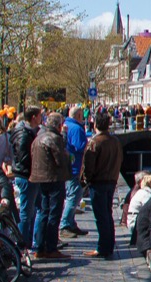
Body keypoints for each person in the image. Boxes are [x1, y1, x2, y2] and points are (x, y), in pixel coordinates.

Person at [80, 112, 123, 260]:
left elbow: (88, 165)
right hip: (111, 181)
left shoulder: (94, 142)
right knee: (108, 213)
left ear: (95, 124)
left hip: (98, 182)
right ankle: (109, 244)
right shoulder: (115, 141)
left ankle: (103, 247)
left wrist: (87, 179)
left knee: (101, 216)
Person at [30, 113, 69, 260]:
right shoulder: (55, 138)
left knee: (43, 212)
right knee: (54, 213)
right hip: (53, 179)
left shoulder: (38, 137)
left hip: (39, 179)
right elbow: (60, 160)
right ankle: (51, 247)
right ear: (59, 125)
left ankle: (39, 246)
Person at [8, 106, 41, 255]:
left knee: (31, 210)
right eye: (40, 116)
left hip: (28, 175)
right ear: (34, 117)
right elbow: (23, 157)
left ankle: (27, 242)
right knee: (26, 212)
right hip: (26, 176)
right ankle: (21, 245)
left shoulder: (28, 132)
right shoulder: (24, 134)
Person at [59, 105, 88, 237]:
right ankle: (65, 224)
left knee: (74, 192)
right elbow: (79, 146)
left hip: (68, 165)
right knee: (74, 193)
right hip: (73, 166)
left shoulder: (66, 125)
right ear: (79, 116)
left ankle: (70, 222)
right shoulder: (76, 128)